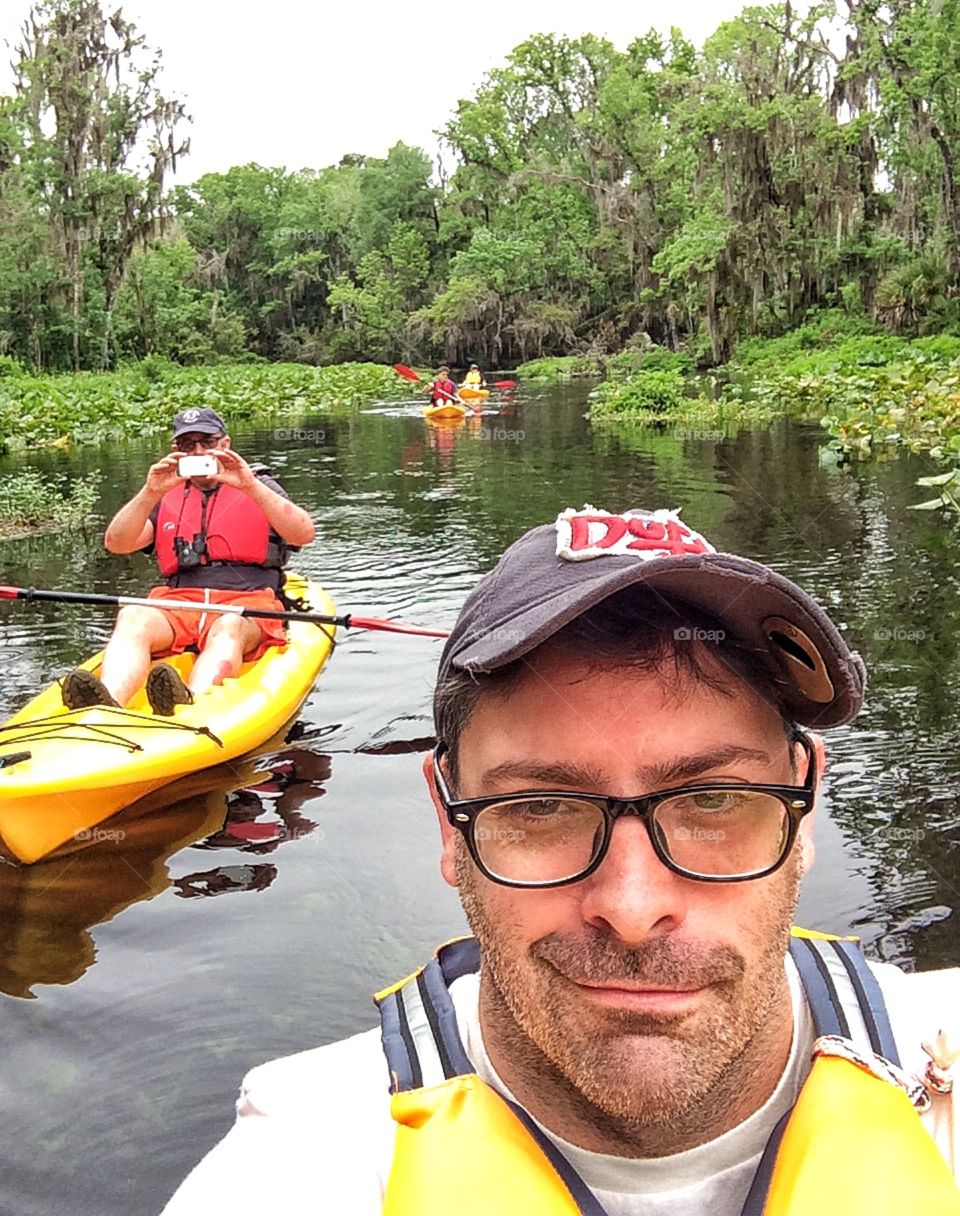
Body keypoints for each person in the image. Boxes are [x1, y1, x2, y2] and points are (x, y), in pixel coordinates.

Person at [160, 506, 959, 1215]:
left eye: (712, 800)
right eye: (539, 807)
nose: (633, 905)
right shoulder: (307, 1157)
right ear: (449, 821)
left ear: (805, 799)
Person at [60, 406, 315, 716]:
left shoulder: (257, 485)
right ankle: (105, 705)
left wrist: (249, 486)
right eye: (187, 445)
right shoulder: (165, 493)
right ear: (175, 451)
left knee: (228, 626)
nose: (197, 451)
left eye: (207, 442)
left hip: (247, 604)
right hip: (181, 603)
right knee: (133, 616)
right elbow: (117, 543)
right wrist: (149, 491)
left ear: (225, 444)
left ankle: (191, 704)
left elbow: (303, 534)